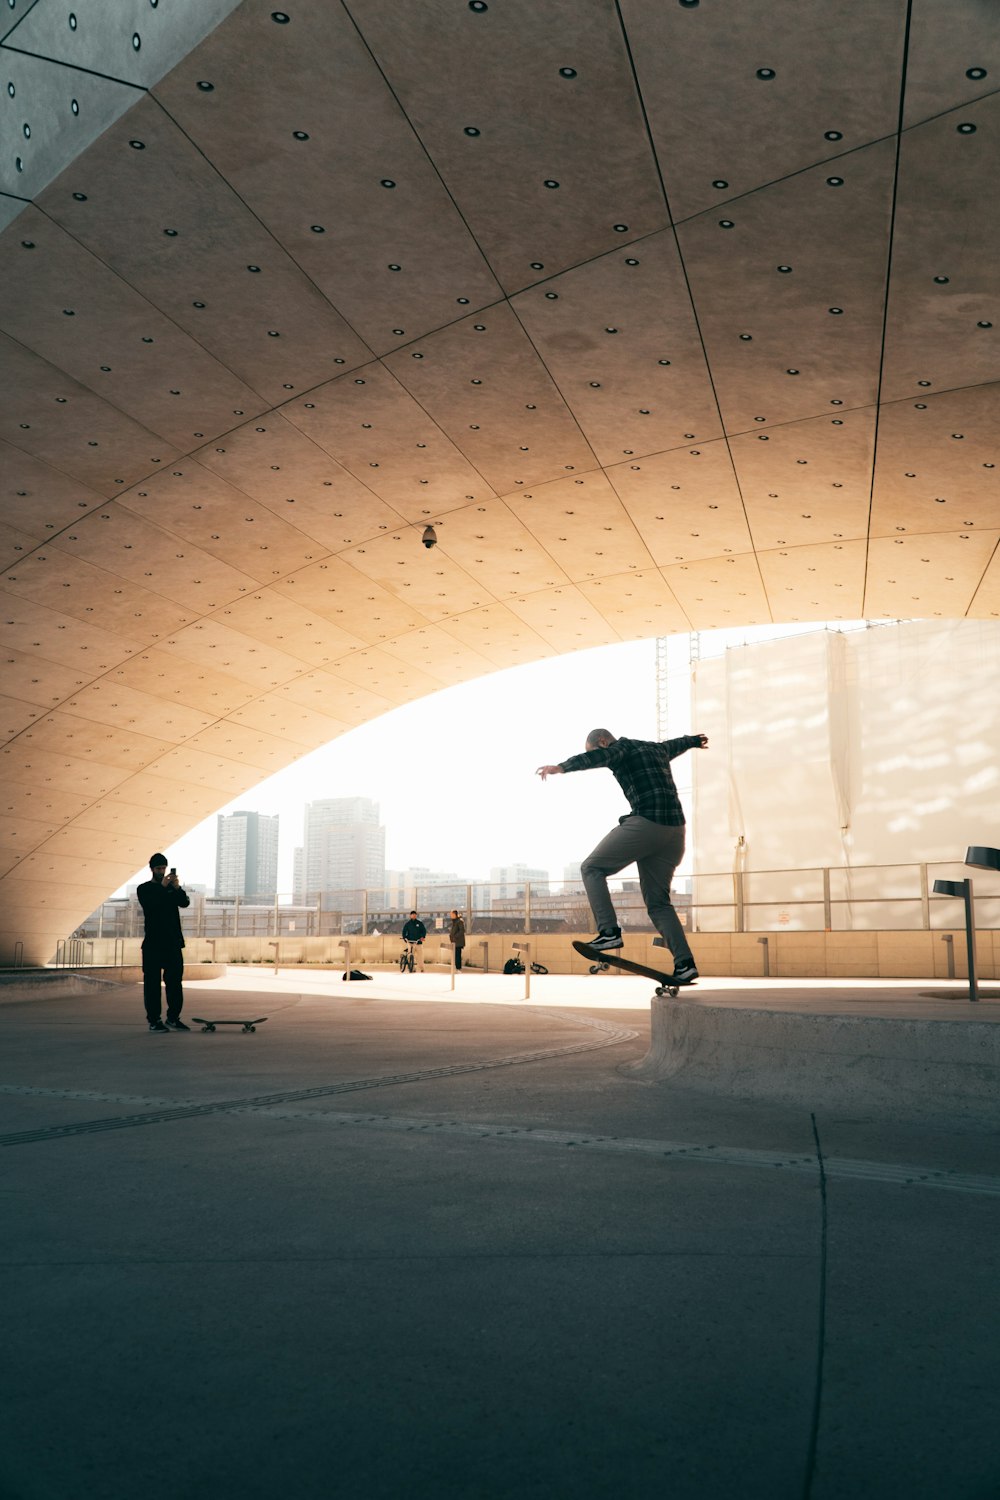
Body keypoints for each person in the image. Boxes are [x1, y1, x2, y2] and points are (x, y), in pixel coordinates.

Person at [536, 728, 708, 983]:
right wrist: (694, 741)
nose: (604, 760)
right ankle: (685, 963)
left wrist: (561, 767)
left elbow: (594, 759)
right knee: (659, 904)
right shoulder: (656, 748)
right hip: (675, 833)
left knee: (591, 868)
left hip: (648, 824)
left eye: (597, 750)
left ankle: (609, 932)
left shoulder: (620, 749)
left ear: (603, 742)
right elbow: (677, 744)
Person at [136, 853, 191, 1032]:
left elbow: (184, 903)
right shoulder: (144, 889)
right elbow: (150, 905)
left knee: (175, 982)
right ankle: (154, 1020)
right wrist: (162, 887)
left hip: (173, 943)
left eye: (164, 868)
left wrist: (177, 888)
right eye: (158, 868)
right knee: (152, 984)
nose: (161, 871)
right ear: (152, 869)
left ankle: (173, 1018)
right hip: (153, 944)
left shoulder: (171, 890)